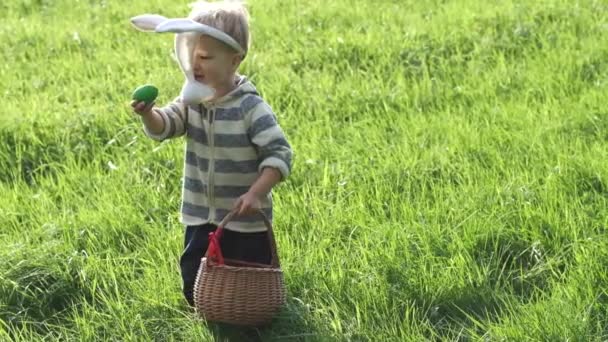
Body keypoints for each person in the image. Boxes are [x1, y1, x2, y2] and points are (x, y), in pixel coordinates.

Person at [130, 0, 293, 307]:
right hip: (200, 214)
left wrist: (257, 194)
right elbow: (167, 125)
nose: (195, 63)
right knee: (194, 280)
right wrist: (148, 114)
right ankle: (208, 315)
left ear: (234, 60)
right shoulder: (192, 99)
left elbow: (279, 154)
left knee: (247, 278)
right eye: (191, 54)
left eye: (205, 56)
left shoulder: (249, 107)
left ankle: (247, 318)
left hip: (243, 216)